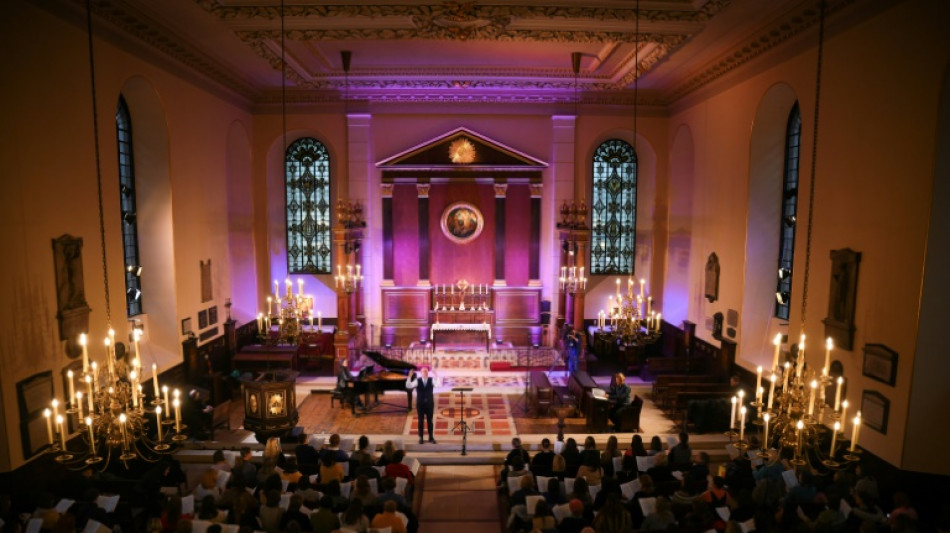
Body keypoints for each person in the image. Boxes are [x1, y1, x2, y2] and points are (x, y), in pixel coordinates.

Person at [405, 366, 438, 444]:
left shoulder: (431, 380)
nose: (425, 372)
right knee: (420, 421)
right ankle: (421, 438)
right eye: (423, 371)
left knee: (430, 421)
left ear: (428, 372)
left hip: (429, 404)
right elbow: (408, 386)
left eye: (426, 371)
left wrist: (435, 374)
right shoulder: (417, 381)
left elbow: (438, 384)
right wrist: (409, 376)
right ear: (421, 373)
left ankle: (431, 437)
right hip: (420, 404)